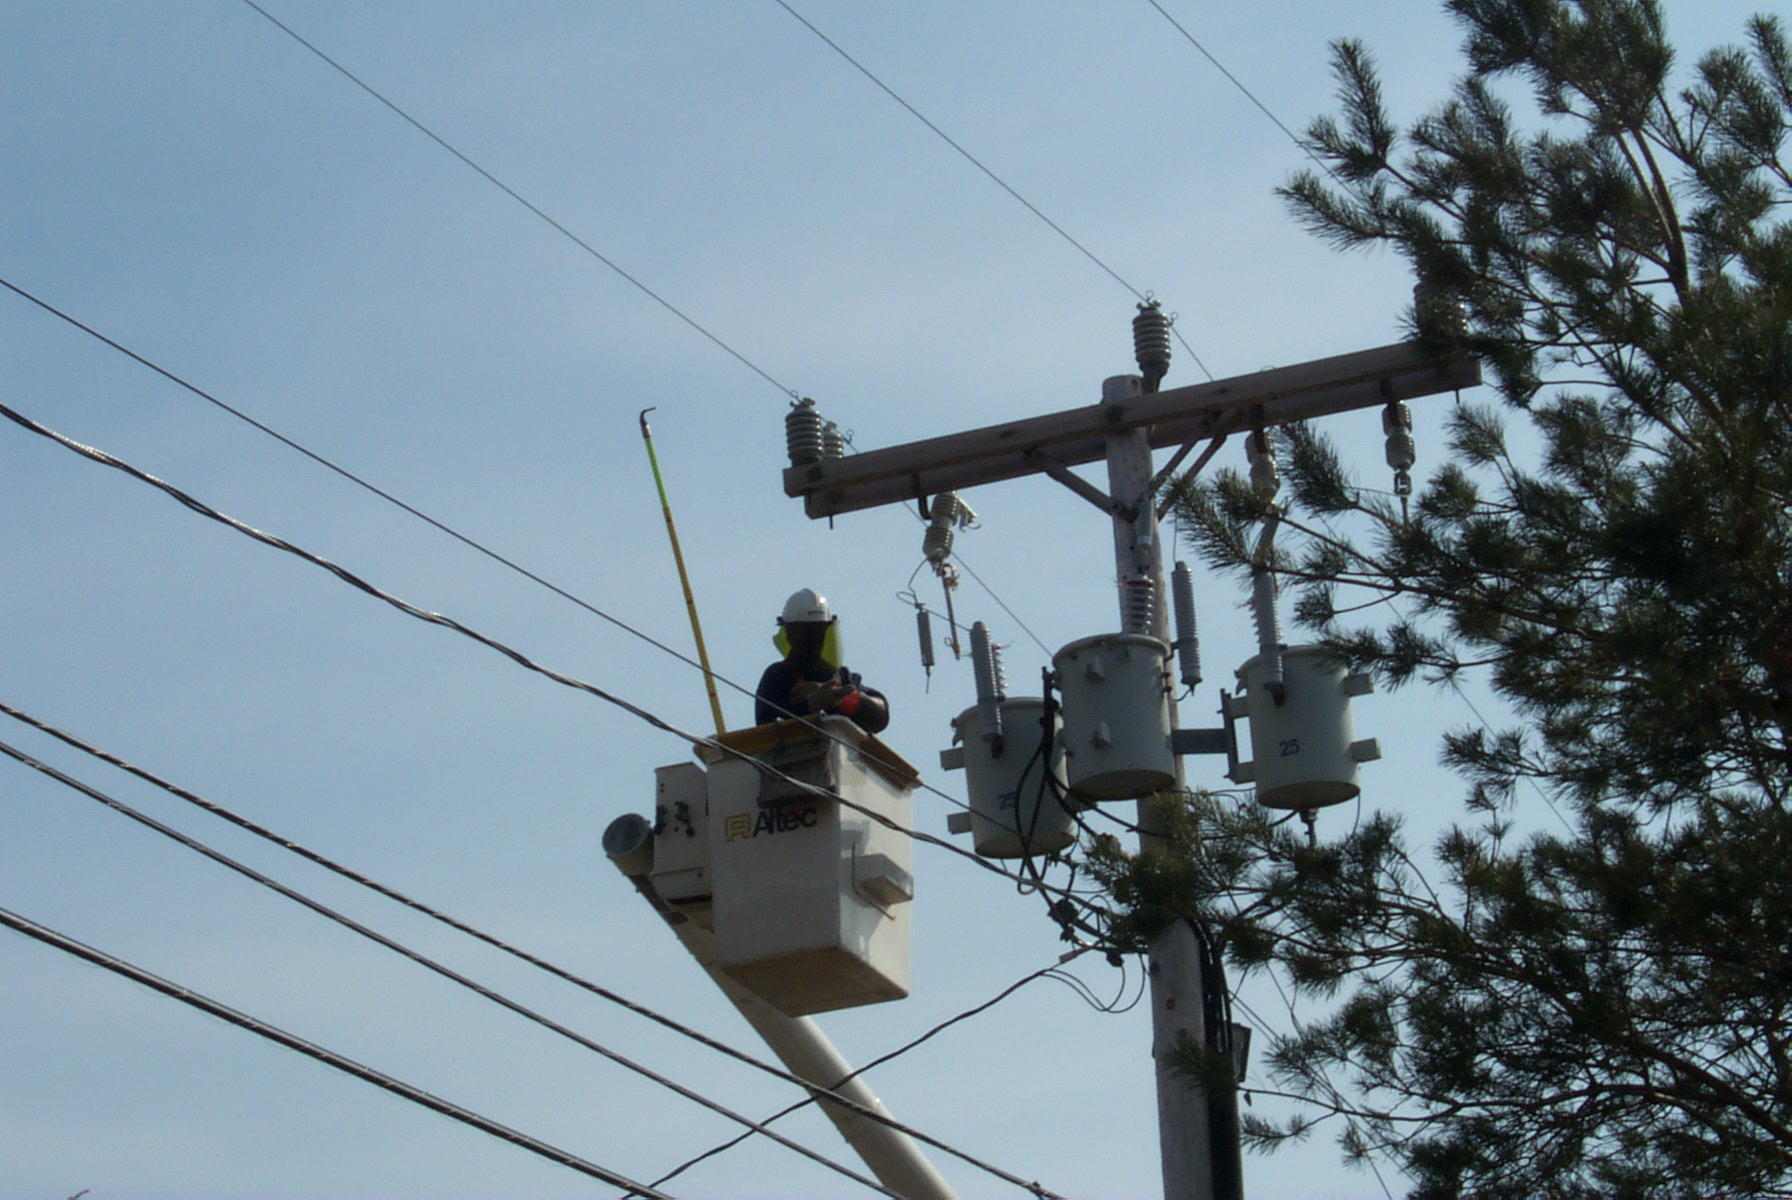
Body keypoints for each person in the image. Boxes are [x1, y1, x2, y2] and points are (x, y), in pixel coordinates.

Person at [755, 588, 889, 734]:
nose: (814, 640)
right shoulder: (779, 676)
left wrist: (840, 697)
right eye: (807, 632)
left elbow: (880, 716)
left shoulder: (840, 677)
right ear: (789, 634)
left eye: (818, 632)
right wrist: (810, 704)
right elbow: (767, 728)